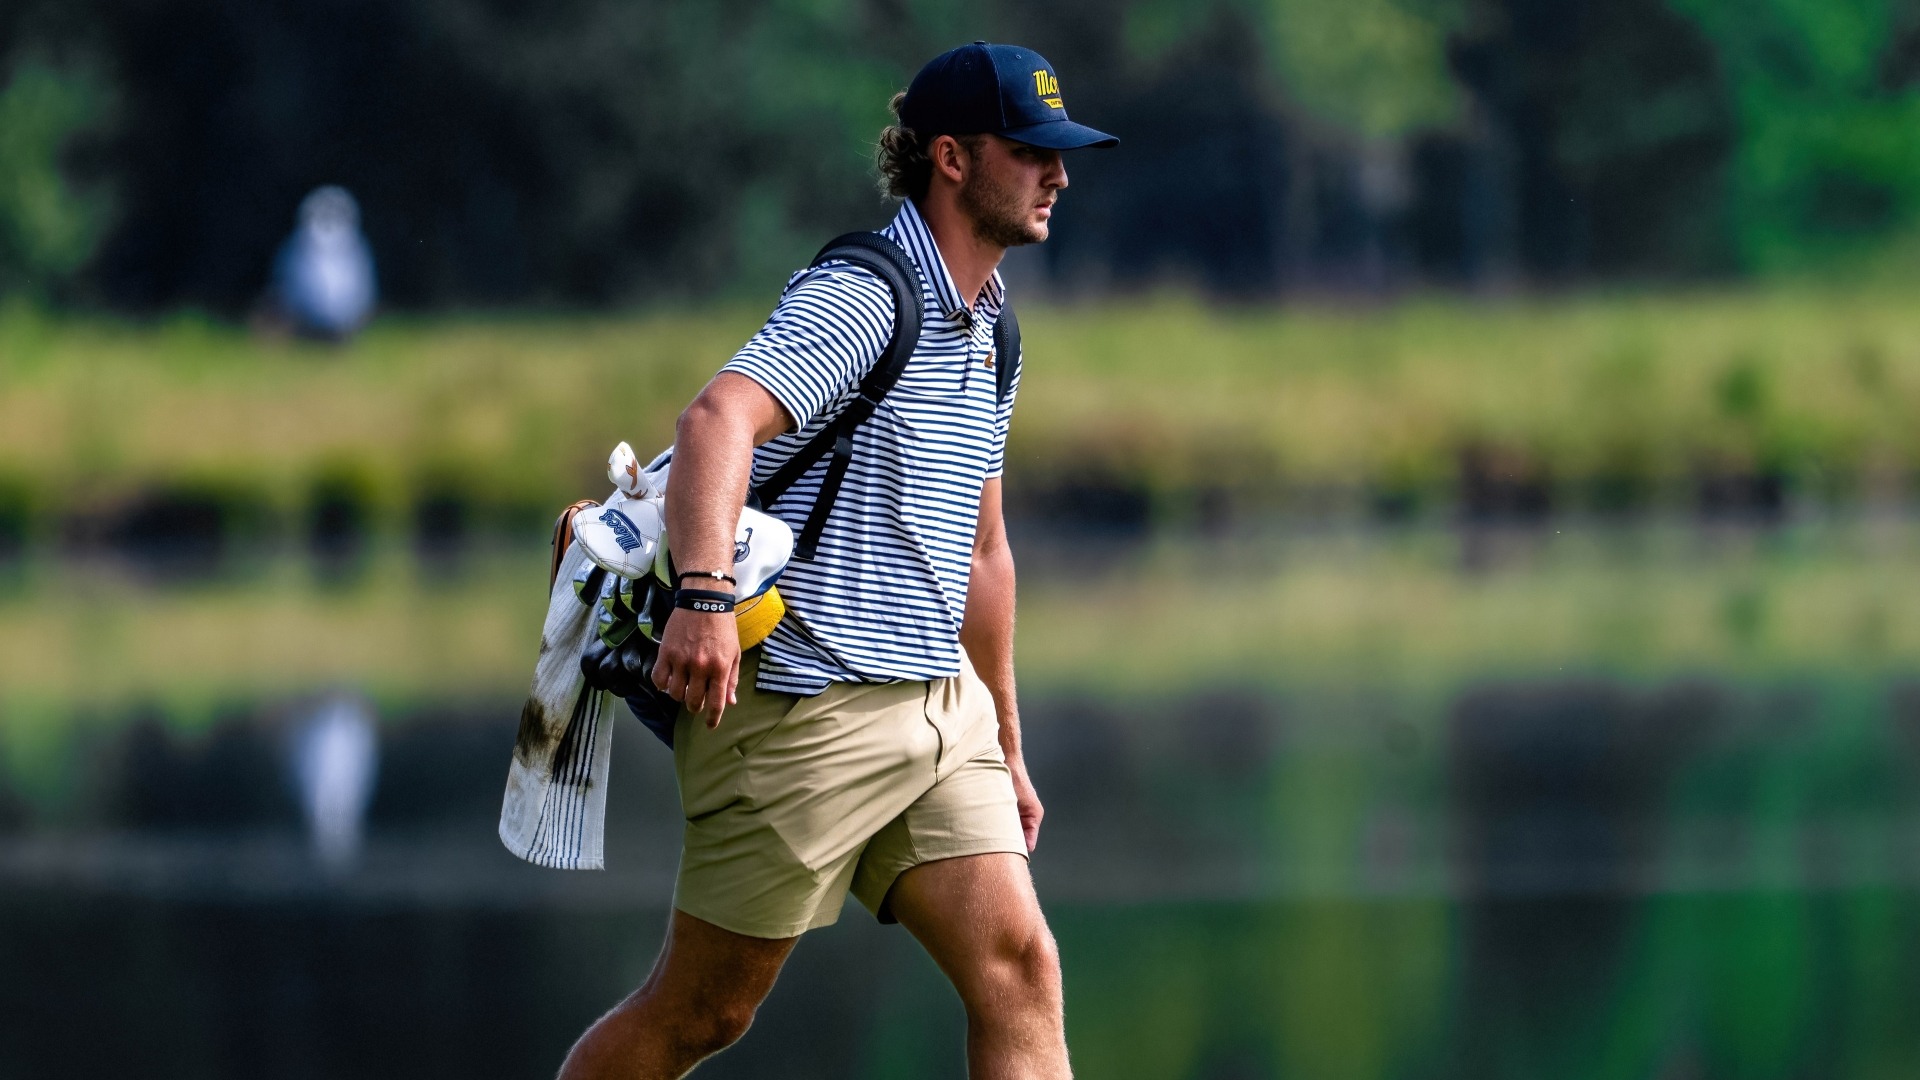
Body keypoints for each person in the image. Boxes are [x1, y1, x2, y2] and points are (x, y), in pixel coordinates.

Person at [557, 42, 1116, 1080]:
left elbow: (983, 552)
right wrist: (705, 597)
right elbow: (719, 417)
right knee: (703, 1014)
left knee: (1021, 970)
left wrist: (1003, 729)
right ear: (952, 158)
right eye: (1032, 150)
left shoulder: (994, 332)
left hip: (938, 712)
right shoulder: (868, 290)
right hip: (800, 712)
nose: (1059, 174)